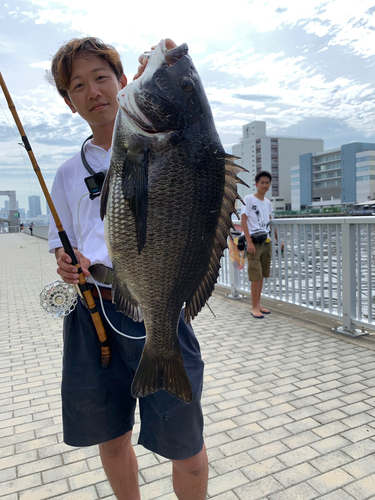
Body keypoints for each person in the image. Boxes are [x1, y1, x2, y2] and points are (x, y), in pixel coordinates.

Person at [47, 37, 208, 500]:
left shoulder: (162, 144)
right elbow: (69, 244)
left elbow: (198, 177)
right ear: (69, 101)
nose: (93, 91)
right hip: (91, 313)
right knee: (110, 436)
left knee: (187, 446)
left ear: (124, 82)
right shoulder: (66, 174)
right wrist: (66, 262)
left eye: (101, 77)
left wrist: (169, 65)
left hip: (158, 308)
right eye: (78, 85)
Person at [241, 171, 284, 319]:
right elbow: (243, 221)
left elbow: (270, 223)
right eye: (262, 182)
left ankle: (258, 304)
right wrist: (249, 242)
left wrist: (278, 241)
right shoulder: (249, 199)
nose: (265, 185)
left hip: (266, 241)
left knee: (262, 276)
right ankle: (254, 307)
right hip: (254, 242)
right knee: (255, 275)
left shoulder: (267, 202)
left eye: (267, 182)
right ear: (256, 184)